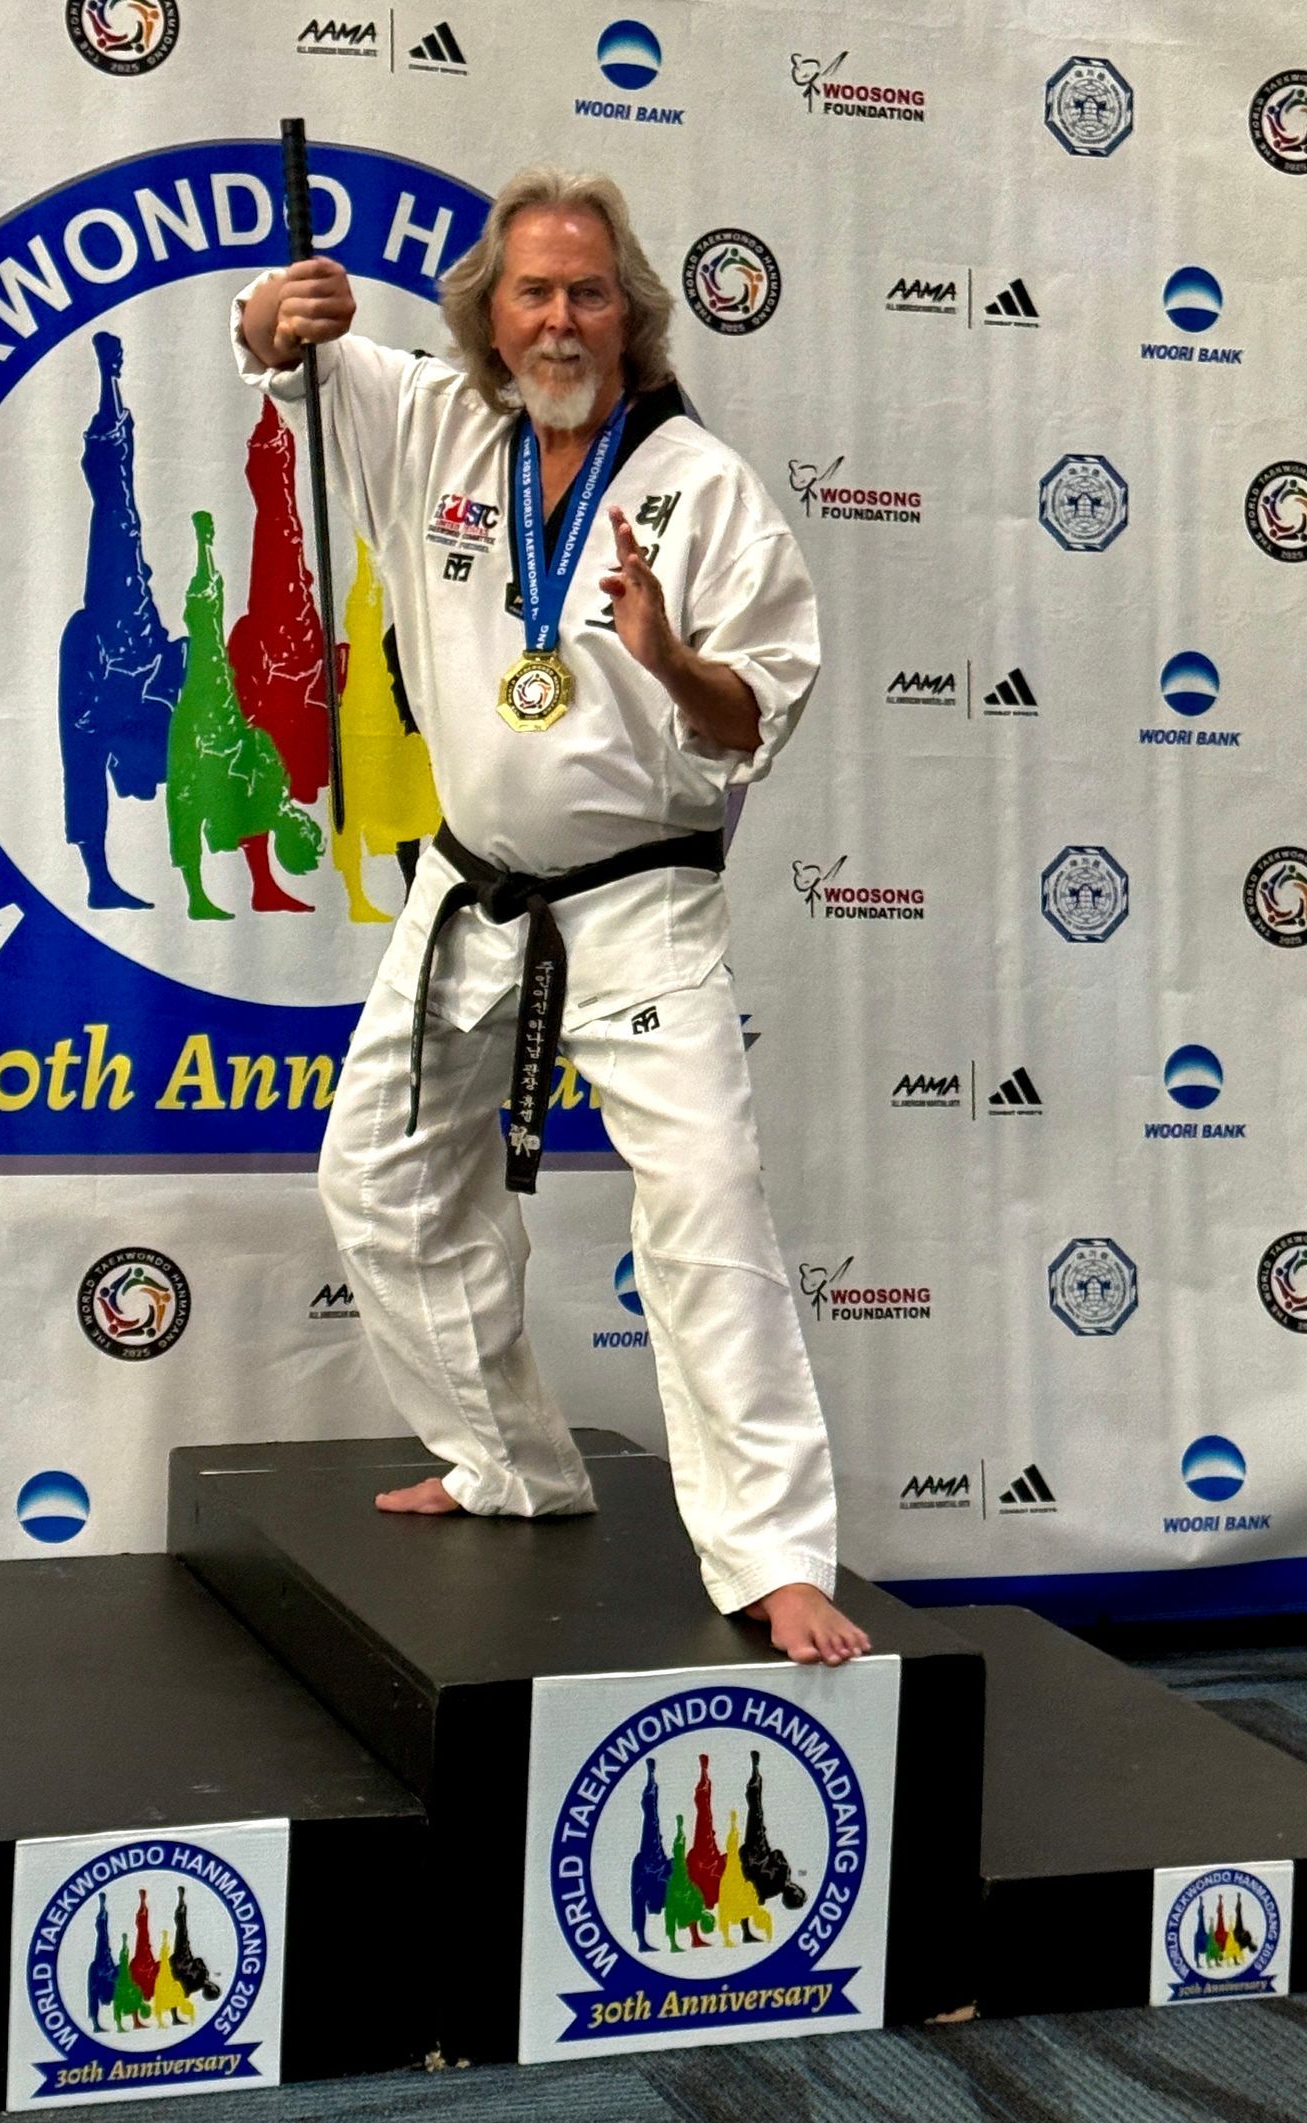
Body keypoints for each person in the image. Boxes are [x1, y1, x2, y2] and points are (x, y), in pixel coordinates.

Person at [231, 166, 869, 1665]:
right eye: (533, 292)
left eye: (588, 293)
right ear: (491, 313)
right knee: (379, 1179)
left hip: (640, 901)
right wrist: (275, 314)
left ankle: (774, 1558)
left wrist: (666, 654)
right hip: (471, 892)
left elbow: (753, 717)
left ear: (630, 315)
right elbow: (286, 355)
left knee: (706, 1205)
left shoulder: (703, 492)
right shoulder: (437, 425)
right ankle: (509, 1460)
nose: (560, 319)